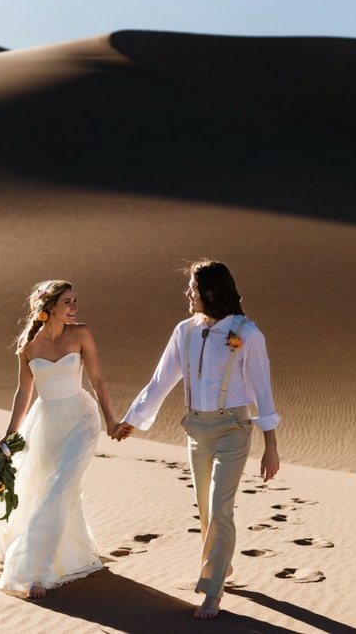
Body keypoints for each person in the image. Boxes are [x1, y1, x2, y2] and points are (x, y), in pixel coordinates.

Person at [114, 259, 280, 620]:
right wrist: (133, 419)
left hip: (233, 429)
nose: (187, 293)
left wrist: (271, 445)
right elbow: (161, 381)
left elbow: (262, 391)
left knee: (221, 508)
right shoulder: (184, 331)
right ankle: (223, 566)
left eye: (192, 287)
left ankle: (212, 589)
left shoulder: (247, 334)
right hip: (195, 430)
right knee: (205, 508)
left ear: (209, 292)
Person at [0, 279, 119, 598]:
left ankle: (36, 569)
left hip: (81, 419)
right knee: (46, 488)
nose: (74, 307)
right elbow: (24, 391)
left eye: (75, 301)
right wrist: (8, 435)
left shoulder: (81, 334)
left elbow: (98, 380)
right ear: (48, 308)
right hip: (44, 423)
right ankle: (69, 550)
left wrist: (111, 420)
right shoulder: (28, 346)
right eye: (67, 302)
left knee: (59, 484)